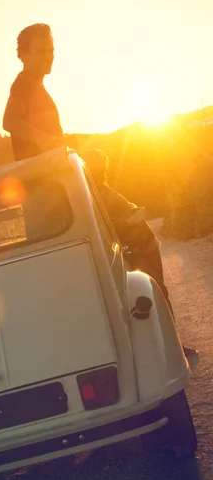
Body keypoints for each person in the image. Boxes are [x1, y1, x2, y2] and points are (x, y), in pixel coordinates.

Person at [81, 149, 198, 358]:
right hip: (134, 248)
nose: (101, 171)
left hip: (146, 242)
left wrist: (133, 211)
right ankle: (171, 348)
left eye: (102, 166)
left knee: (160, 291)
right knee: (154, 294)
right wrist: (126, 221)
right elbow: (102, 228)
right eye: (96, 167)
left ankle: (174, 344)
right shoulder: (90, 195)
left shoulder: (101, 190)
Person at [3, 24, 65, 161]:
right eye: (42, 52)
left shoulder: (34, 85)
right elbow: (10, 121)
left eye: (51, 50)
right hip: (40, 176)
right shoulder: (24, 84)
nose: (49, 57)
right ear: (24, 55)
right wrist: (51, 142)